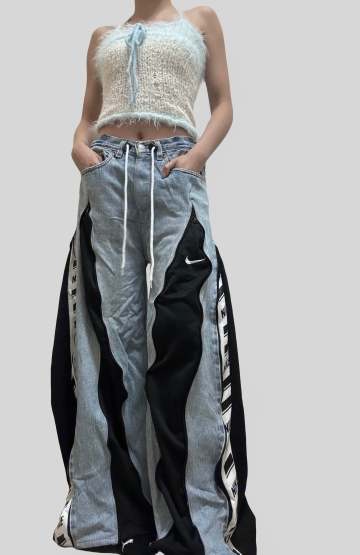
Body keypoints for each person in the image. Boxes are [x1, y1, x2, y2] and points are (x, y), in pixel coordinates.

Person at [50, 2, 257, 555]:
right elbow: (87, 115)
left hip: (174, 175)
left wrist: (197, 157)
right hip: (107, 175)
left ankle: (194, 519)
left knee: (186, 333)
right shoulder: (103, 35)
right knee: (106, 340)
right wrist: (80, 149)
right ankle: (109, 519)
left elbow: (224, 104)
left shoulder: (200, 21)